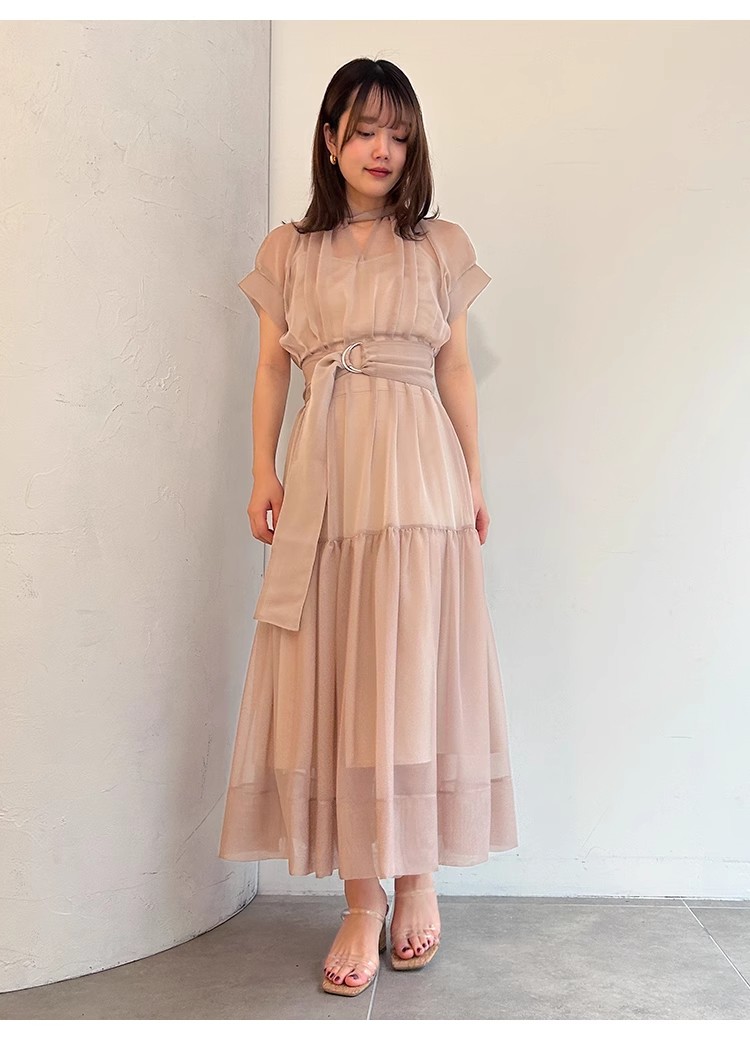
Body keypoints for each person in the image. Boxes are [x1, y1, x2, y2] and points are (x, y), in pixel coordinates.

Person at [218, 56, 519, 998]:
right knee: (341, 667)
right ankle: (361, 896)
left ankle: (418, 879)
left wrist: (473, 476)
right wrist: (263, 470)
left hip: (418, 473)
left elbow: (455, 370)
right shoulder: (289, 251)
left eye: (399, 132)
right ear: (330, 139)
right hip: (326, 477)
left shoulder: (438, 246)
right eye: (364, 130)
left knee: (413, 663)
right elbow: (272, 368)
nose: (382, 149)